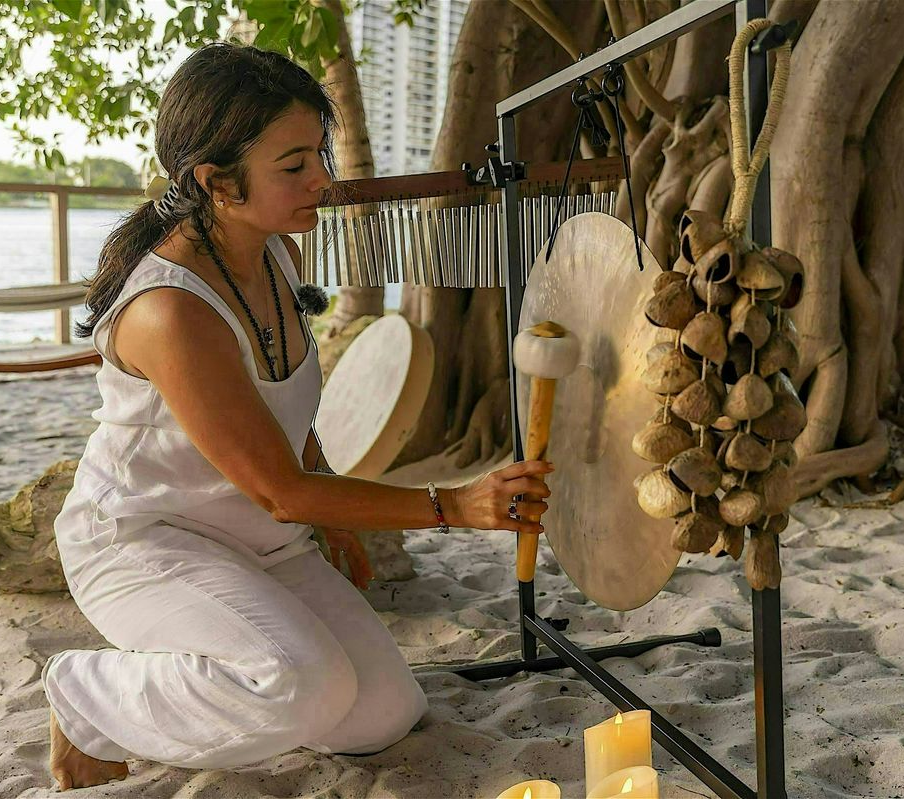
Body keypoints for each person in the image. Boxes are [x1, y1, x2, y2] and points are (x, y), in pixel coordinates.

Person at [43, 43, 553, 790]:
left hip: (262, 539)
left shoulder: (276, 251)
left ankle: (216, 671)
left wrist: (338, 510)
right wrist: (457, 505)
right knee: (296, 686)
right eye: (294, 165)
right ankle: (84, 694)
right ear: (216, 182)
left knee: (381, 711)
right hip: (148, 538)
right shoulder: (171, 311)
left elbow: (284, 415)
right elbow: (280, 488)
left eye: (319, 151)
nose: (324, 179)